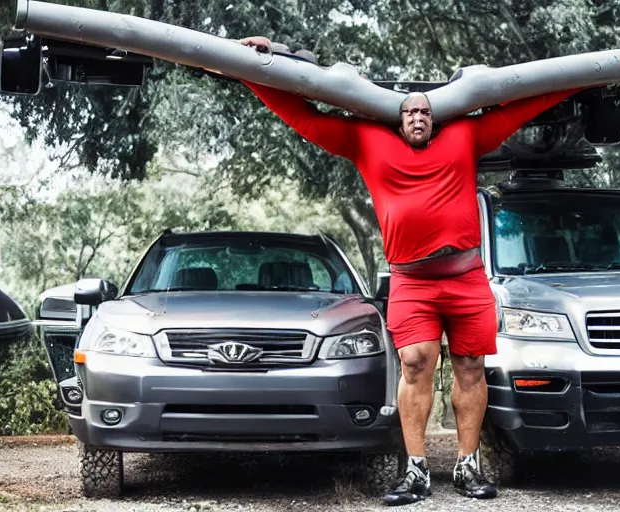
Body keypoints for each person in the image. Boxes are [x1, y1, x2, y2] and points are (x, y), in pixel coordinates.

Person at [238, 35, 584, 506]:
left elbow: (517, 108)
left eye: (424, 111)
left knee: (470, 366)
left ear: (435, 117)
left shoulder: (464, 135)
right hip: (412, 281)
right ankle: (417, 471)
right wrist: (251, 68)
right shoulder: (367, 139)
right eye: (408, 112)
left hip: (466, 278)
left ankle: (467, 467)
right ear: (396, 119)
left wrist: (580, 78)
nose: (417, 117)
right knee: (416, 362)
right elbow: (304, 115)